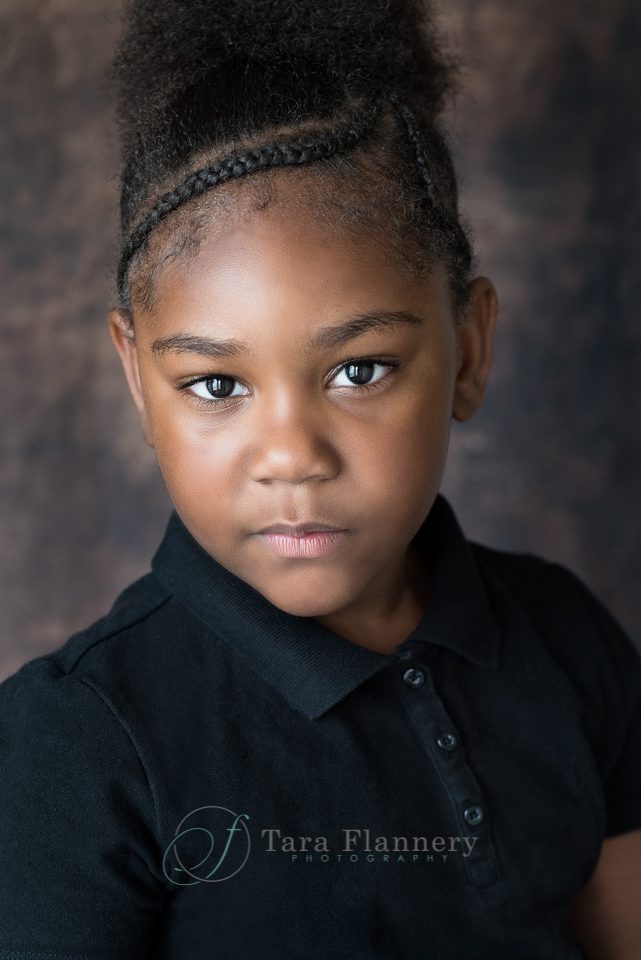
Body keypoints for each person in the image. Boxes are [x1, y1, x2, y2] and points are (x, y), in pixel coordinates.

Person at [0, 0, 639, 957]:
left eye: (358, 371)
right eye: (215, 384)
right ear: (138, 376)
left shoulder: (564, 639)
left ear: (467, 350)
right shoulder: (74, 744)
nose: (292, 456)